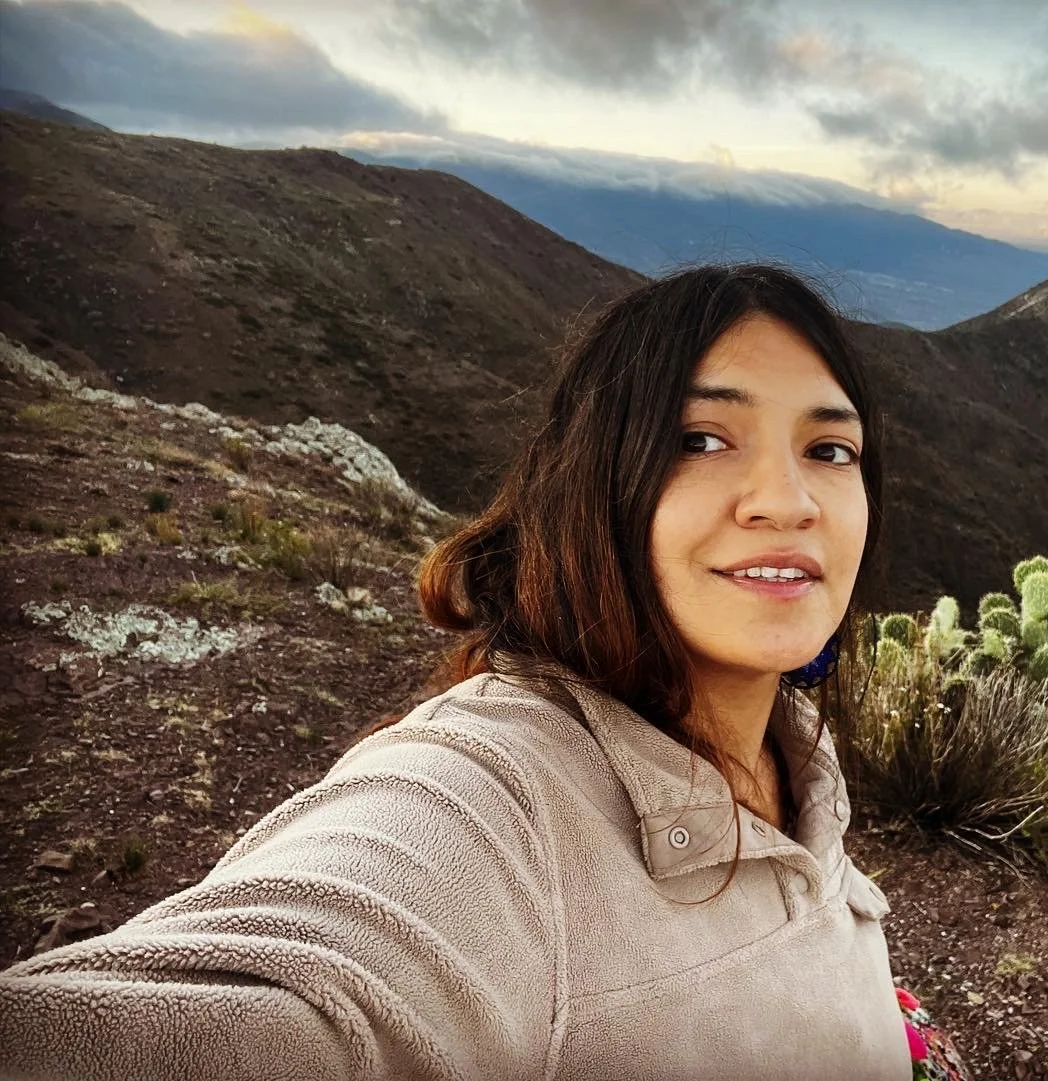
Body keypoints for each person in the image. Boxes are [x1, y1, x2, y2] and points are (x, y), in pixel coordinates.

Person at [0, 264, 957, 1080]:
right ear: (598, 484)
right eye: (700, 439)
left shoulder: (798, 748)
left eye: (830, 450)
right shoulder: (491, 813)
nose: (788, 501)